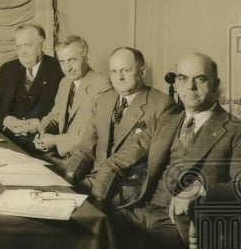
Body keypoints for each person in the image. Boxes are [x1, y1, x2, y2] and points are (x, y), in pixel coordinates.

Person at [91, 52, 241, 249]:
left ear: (215, 84)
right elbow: (119, 160)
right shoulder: (166, 121)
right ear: (177, 84)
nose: (190, 86)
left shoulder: (239, 131)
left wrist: (201, 191)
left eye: (200, 79)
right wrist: (96, 203)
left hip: (183, 222)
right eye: (183, 78)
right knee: (92, 236)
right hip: (142, 209)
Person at [64, 46, 175, 203]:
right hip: (94, 180)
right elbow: (85, 147)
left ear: (142, 72)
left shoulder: (162, 105)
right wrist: (68, 178)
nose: (119, 77)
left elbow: (137, 155)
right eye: (114, 72)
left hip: (126, 188)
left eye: (125, 71)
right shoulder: (103, 100)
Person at [33, 35, 110, 159]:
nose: (67, 68)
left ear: (86, 57)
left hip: (87, 157)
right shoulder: (65, 82)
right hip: (64, 154)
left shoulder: (102, 84)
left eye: (72, 60)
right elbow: (56, 115)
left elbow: (91, 134)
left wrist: (54, 140)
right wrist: (42, 131)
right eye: (62, 61)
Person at [0, 23, 64, 149]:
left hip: (41, 142)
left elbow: (64, 112)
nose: (23, 52)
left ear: (43, 44)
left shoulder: (59, 70)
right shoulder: (7, 69)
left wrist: (40, 124)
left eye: (28, 45)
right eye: (19, 46)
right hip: (7, 139)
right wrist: (6, 120)